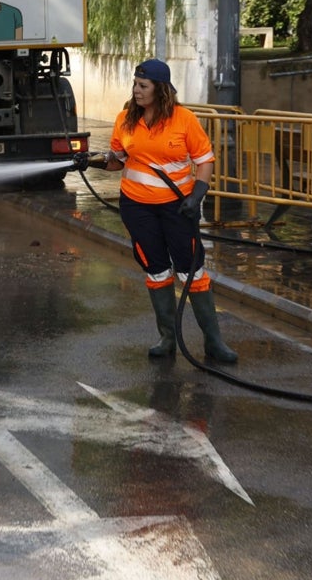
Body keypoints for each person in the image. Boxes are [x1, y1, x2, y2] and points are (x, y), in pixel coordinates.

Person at [94, 58, 238, 364]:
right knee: (156, 270)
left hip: (178, 208)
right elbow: (117, 160)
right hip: (137, 208)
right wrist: (92, 161)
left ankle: (214, 343)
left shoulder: (183, 119)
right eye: (135, 84)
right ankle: (167, 338)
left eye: (143, 85)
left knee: (191, 271)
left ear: (161, 89)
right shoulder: (125, 120)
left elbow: (205, 159)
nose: (136, 90)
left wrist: (198, 194)